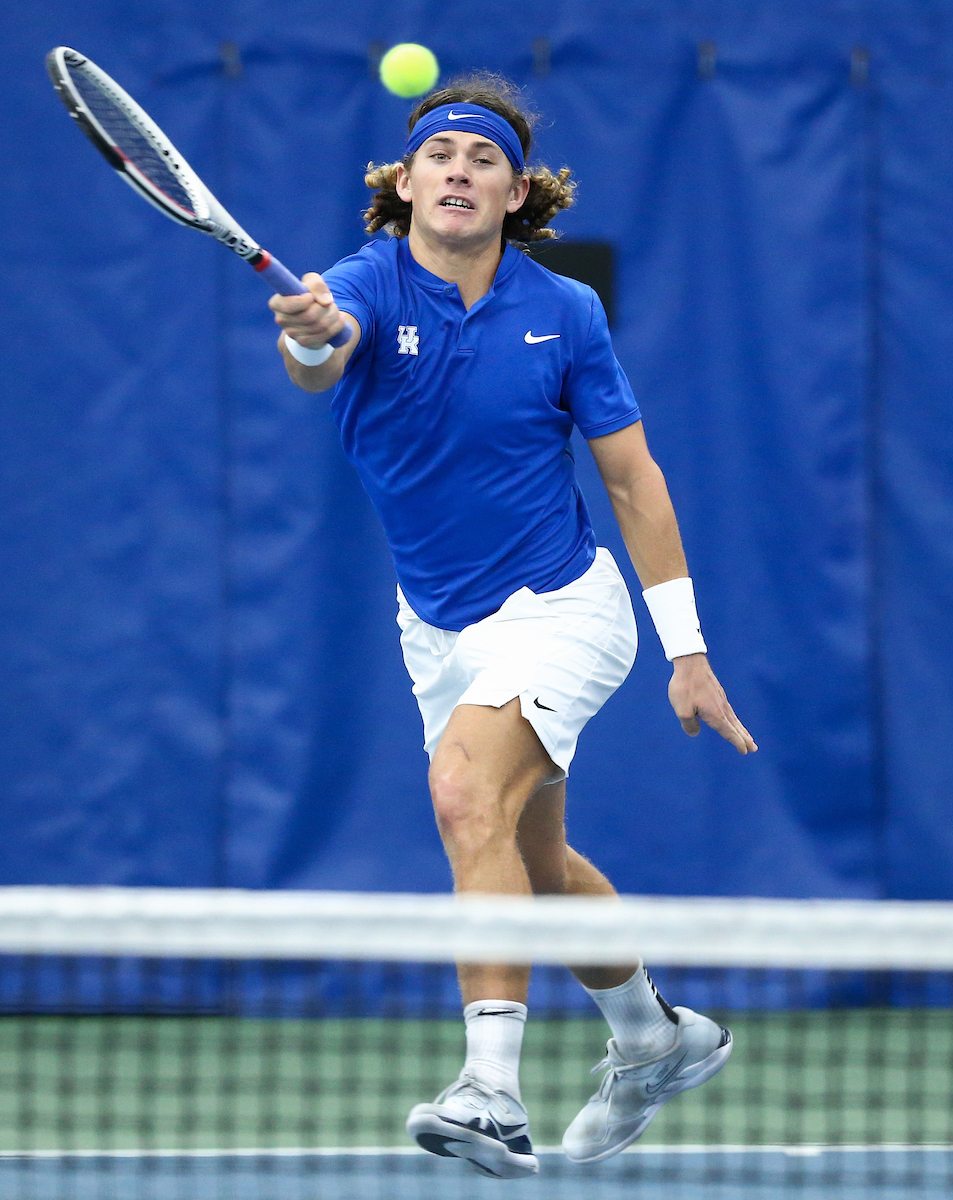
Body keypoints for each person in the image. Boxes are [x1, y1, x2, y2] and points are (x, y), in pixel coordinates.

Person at [270, 75, 757, 1180]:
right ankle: (656, 1039)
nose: (458, 170)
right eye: (437, 156)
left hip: (562, 606)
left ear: (517, 192)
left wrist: (687, 649)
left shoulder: (566, 310)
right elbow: (322, 357)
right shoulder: (365, 283)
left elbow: (632, 480)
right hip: (439, 629)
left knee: (462, 793)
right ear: (404, 185)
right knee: (530, 857)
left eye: (482, 158)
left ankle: (490, 1090)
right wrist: (310, 336)